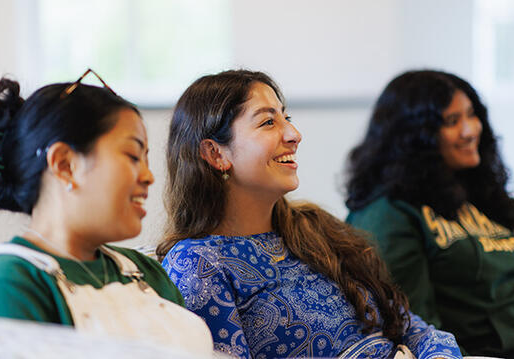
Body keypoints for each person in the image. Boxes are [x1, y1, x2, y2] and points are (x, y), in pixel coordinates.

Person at [157, 69, 462, 359]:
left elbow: (413, 327)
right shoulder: (198, 264)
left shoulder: (315, 228)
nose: (294, 134)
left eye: (286, 118)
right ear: (215, 154)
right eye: (267, 123)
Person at [345, 70, 514, 359]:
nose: (471, 129)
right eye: (452, 121)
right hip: (497, 353)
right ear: (413, 137)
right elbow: (414, 320)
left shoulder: (483, 197)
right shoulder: (388, 213)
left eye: (472, 115)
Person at [0, 71, 212, 357]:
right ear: (65, 164)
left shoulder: (145, 272)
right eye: (133, 157)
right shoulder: (8, 281)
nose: (149, 176)